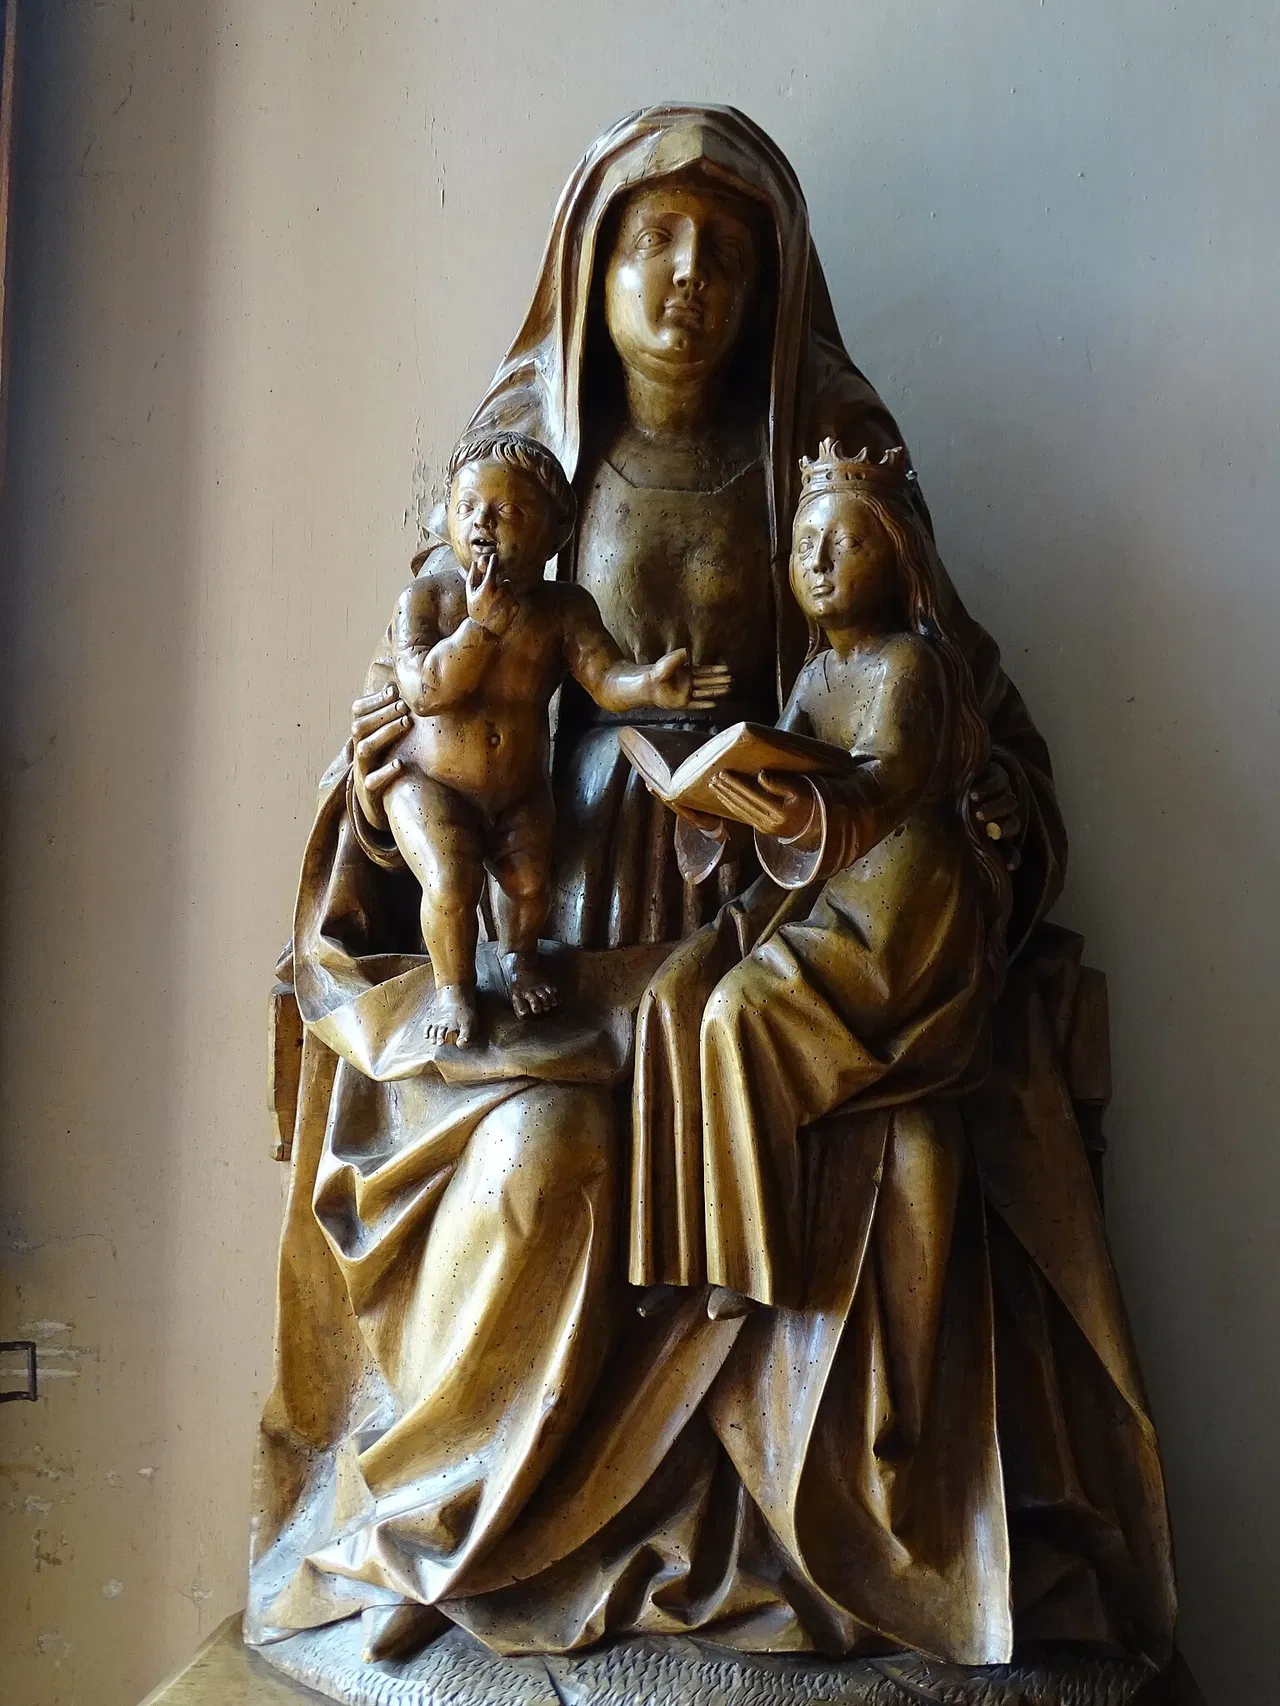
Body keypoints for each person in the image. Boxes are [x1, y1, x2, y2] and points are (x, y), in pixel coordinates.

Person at [250, 108, 1175, 1676]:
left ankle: (845, 1559)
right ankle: (447, 1531)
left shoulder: (823, 487)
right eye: (655, 241)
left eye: (729, 252)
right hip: (554, 938)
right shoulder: (517, 484)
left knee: (905, 1156)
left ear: (774, 289)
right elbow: (410, 744)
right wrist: (398, 779)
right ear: (589, 268)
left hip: (773, 920)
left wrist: (956, 818)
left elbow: (967, 726)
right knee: (543, 1157)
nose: (691, 277)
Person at [636, 441, 1010, 1322]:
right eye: (806, 545)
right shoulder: (817, 672)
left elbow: (882, 789)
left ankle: (747, 1265)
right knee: (674, 996)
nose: (819, 561)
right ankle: (676, 1252)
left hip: (896, 909)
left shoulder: (908, 667)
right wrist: (712, 804)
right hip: (816, 884)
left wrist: (792, 813)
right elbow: (783, 762)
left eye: (846, 543)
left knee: (740, 1010)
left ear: (898, 554)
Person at [384, 430, 729, 1045]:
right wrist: (478, 630)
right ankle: (453, 988)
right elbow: (424, 692)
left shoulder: (563, 610)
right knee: (450, 882)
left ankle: (519, 959)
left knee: (528, 885)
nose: (483, 524)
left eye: (508, 512)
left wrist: (650, 683)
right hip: (429, 782)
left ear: (554, 535)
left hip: (518, 788)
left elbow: (603, 676)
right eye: (468, 508)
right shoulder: (429, 600)